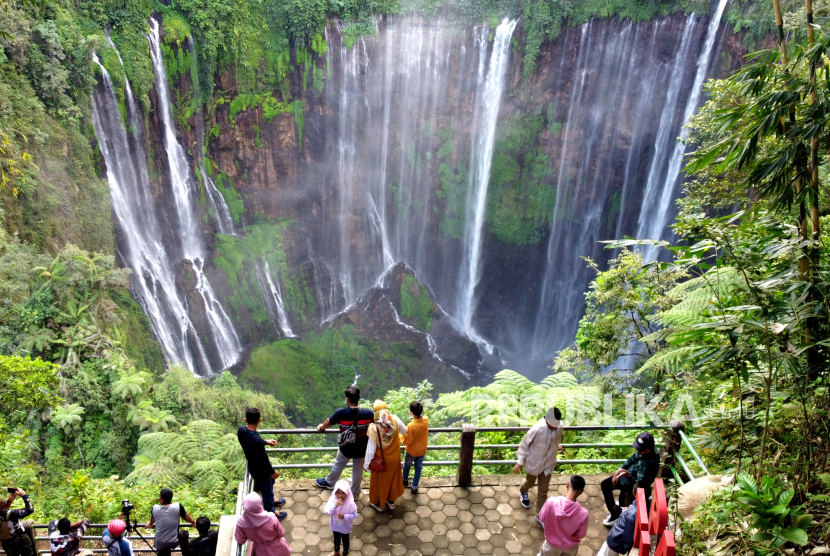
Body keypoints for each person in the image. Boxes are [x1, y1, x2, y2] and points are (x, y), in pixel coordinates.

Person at [315, 386, 375, 498]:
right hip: (362, 448)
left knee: (338, 465)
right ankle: (354, 492)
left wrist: (321, 427)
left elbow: (329, 422)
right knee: (358, 471)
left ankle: (330, 482)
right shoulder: (369, 413)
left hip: (346, 447)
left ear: (347, 399)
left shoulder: (340, 413)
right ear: (359, 397)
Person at [601, 432, 661, 526]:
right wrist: (619, 470)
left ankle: (615, 514)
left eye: (640, 450)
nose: (638, 451)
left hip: (631, 481)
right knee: (619, 496)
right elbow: (633, 458)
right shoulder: (649, 449)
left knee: (605, 485)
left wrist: (628, 477)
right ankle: (619, 509)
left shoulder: (648, 465)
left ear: (649, 449)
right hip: (630, 475)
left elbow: (638, 486)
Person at [513, 407, 565, 514]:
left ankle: (540, 515)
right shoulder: (537, 429)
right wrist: (520, 462)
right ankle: (523, 491)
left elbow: (557, 439)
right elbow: (524, 445)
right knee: (529, 482)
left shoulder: (560, 426)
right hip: (534, 463)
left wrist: (557, 446)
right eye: (553, 424)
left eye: (557, 424)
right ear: (547, 420)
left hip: (548, 464)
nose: (555, 427)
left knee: (543, 491)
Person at [238, 407, 287, 519]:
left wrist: (265, 442)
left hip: (253, 467)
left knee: (270, 484)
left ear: (246, 420)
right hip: (261, 471)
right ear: (260, 420)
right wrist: (273, 471)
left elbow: (252, 438)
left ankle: (271, 500)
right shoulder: (256, 442)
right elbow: (264, 459)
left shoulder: (241, 430)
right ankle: (271, 513)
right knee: (267, 490)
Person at [363, 401, 407, 512]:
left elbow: (370, 450)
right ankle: (390, 502)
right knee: (392, 479)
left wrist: (366, 465)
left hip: (381, 461)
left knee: (379, 483)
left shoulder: (374, 427)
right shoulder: (395, 420)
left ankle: (378, 504)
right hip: (395, 458)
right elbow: (405, 431)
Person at [536, 475, 589, 556]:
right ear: (581, 492)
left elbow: (542, 519)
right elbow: (581, 534)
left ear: (567, 485)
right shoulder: (584, 513)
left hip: (551, 546)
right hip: (570, 548)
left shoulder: (551, 502)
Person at [146, 488, 196, 556]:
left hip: (161, 543)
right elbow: (186, 516)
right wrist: (193, 522)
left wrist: (150, 524)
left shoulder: (155, 508)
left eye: (159, 496)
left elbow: (152, 521)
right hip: (174, 541)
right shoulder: (177, 507)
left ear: (162, 499)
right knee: (183, 534)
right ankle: (186, 554)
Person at [322, 480, 358, 556]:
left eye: (343, 493)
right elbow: (326, 511)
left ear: (347, 493)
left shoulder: (350, 503)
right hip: (335, 525)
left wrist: (345, 516)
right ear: (335, 492)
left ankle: (345, 553)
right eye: (338, 493)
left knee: (345, 540)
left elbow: (354, 514)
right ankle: (336, 551)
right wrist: (335, 505)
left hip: (345, 526)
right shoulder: (333, 500)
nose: (340, 495)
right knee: (336, 539)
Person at [402, 401, 429, 495]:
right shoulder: (425, 420)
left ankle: (404, 479)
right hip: (422, 451)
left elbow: (409, 441)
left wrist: (401, 436)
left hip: (411, 452)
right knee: (418, 468)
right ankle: (414, 487)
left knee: (407, 466)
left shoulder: (411, 426)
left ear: (411, 412)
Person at [0, 487, 35, 556]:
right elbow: (30, 509)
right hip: (19, 539)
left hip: (6, 542)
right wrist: (24, 495)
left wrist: (9, 501)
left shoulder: (5, 513)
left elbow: (2, 511)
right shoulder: (11, 514)